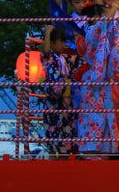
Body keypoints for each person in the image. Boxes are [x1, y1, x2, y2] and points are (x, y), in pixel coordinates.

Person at [74, 0, 119, 156]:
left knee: (106, 117)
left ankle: (106, 151)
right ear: (95, 18)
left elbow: (116, 30)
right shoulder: (93, 31)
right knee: (94, 117)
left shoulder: (99, 30)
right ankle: (92, 152)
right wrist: (113, 7)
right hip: (94, 81)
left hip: (103, 81)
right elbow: (105, 24)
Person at [41, 25, 77, 155]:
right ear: (51, 44)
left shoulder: (65, 58)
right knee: (54, 139)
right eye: (60, 42)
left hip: (65, 102)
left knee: (68, 139)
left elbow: (78, 57)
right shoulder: (48, 58)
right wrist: (49, 31)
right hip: (53, 103)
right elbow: (45, 50)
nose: (63, 44)